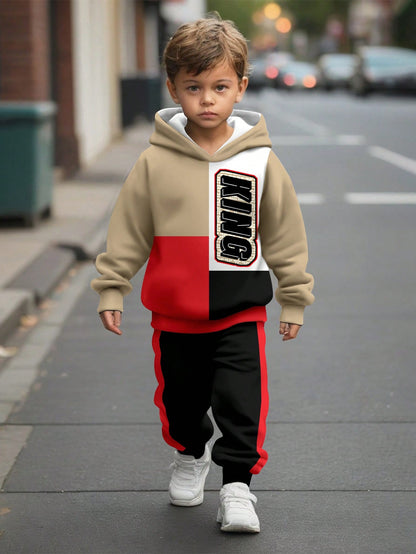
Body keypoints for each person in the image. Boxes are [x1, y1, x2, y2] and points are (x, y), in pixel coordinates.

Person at [91, 14, 314, 534]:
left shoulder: (258, 159)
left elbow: (284, 232)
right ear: (173, 88)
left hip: (241, 308)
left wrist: (295, 297)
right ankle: (190, 454)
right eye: (193, 88)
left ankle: (237, 487)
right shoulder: (153, 162)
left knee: (242, 403)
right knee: (181, 402)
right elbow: (128, 230)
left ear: (241, 86)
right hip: (175, 314)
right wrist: (112, 287)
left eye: (219, 87)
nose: (207, 100)